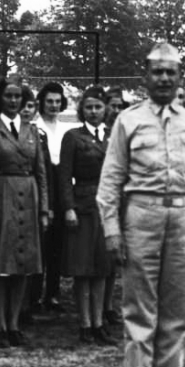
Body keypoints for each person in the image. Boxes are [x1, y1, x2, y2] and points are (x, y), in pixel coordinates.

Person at [96, 43, 185, 367]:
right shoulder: (128, 121)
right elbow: (110, 182)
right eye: (157, 72)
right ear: (145, 78)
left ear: (180, 78)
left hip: (183, 218)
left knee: (177, 315)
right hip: (142, 217)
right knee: (139, 313)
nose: (164, 79)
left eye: (171, 73)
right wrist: (112, 232)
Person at [0, 78, 50, 348]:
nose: (13, 101)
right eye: (8, 96)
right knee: (1, 266)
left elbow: (41, 173)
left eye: (18, 96)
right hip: (2, 197)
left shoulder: (32, 131)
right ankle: (0, 325)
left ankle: (15, 323)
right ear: (0, 99)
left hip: (28, 198)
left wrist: (44, 209)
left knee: (23, 266)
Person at [57, 86, 114, 345]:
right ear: (82, 110)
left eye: (98, 107)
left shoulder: (113, 136)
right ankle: (84, 324)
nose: (93, 112)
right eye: (89, 107)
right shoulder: (73, 137)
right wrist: (68, 207)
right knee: (83, 268)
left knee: (102, 267)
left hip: (108, 206)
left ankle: (100, 322)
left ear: (105, 110)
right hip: (82, 205)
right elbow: (64, 176)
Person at [32, 82, 67, 314]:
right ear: (41, 103)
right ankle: (34, 295)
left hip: (61, 187)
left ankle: (52, 294)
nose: (53, 106)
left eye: (57, 101)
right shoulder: (35, 127)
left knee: (57, 245)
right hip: (42, 185)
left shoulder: (67, 129)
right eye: (49, 101)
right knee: (40, 245)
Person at [101, 85, 126, 327]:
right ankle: (100, 305)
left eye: (120, 107)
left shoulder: (124, 131)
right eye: (113, 105)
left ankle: (109, 304)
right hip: (103, 196)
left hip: (122, 197)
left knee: (114, 260)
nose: (116, 110)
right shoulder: (102, 131)